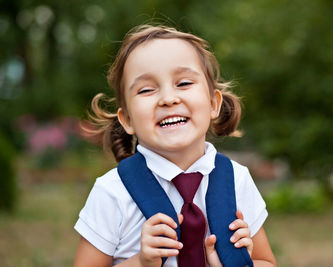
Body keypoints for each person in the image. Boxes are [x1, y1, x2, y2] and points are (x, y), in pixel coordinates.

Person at [73, 24, 276, 267]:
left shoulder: (237, 180)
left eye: (183, 84)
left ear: (213, 103)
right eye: (147, 89)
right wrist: (140, 262)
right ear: (127, 119)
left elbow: (266, 261)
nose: (168, 99)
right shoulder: (112, 193)